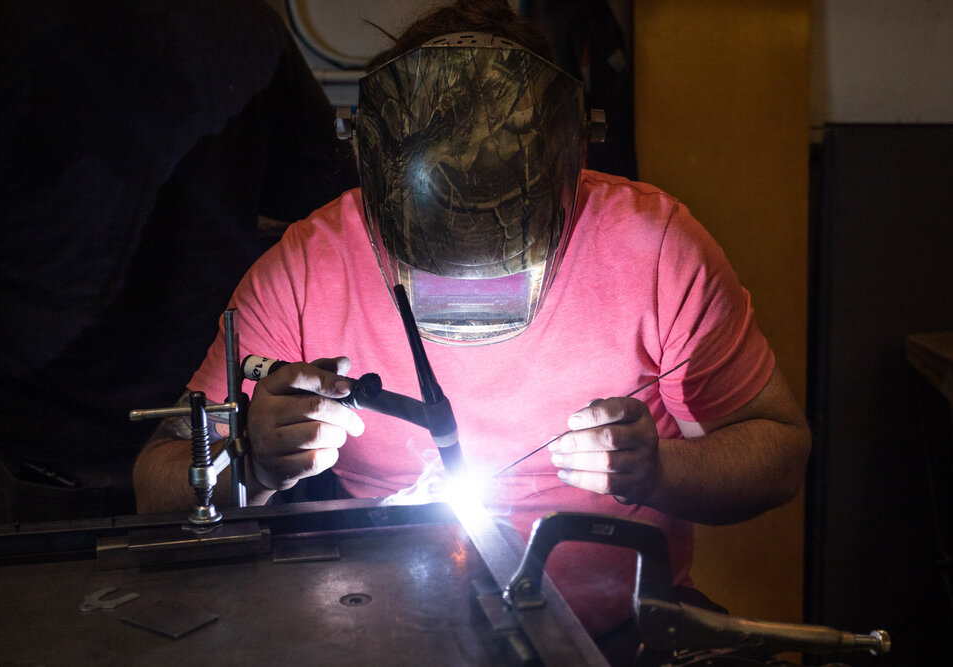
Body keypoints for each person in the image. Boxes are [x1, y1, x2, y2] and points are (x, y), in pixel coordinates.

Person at [133, 0, 811, 651]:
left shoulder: (654, 247)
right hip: (386, 636)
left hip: (616, 635)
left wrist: (659, 469)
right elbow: (156, 480)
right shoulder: (310, 268)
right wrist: (249, 460)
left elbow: (780, 453)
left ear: (570, 160)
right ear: (369, 167)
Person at [0, 0, 358, 522]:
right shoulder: (240, 22)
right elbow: (325, 202)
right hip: (178, 435)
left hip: (81, 442)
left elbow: (328, 215)